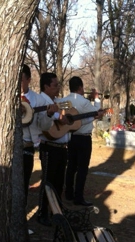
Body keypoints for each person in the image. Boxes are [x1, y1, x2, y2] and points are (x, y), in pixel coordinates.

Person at [62, 77, 104, 206]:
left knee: (71, 167)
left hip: (71, 137)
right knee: (82, 169)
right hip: (84, 138)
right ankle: (78, 197)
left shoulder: (64, 101)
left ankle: (68, 192)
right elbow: (96, 113)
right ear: (80, 87)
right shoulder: (84, 102)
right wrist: (96, 98)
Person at [36, 72, 67, 226]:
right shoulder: (40, 100)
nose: (58, 88)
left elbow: (69, 111)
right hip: (49, 147)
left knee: (59, 182)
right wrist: (56, 115)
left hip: (62, 147)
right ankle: (42, 212)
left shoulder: (59, 102)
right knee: (48, 181)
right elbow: (41, 119)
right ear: (46, 86)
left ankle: (57, 212)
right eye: (55, 85)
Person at [20, 64, 53, 203]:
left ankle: (21, 215)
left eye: (20, 79)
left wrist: (49, 114)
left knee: (24, 182)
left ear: (28, 79)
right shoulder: (4, 97)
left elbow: (44, 125)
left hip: (26, 145)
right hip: (6, 147)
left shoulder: (38, 100)